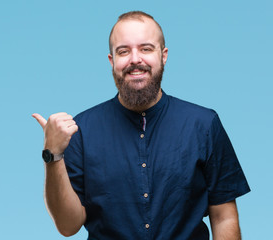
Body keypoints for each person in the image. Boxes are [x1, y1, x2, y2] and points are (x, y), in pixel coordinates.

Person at [32, 11, 250, 240]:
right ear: (112, 60)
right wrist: (53, 154)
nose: (135, 59)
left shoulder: (204, 125)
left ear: (163, 55)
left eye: (146, 49)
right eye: (123, 51)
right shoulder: (81, 130)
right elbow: (68, 226)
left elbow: (223, 216)